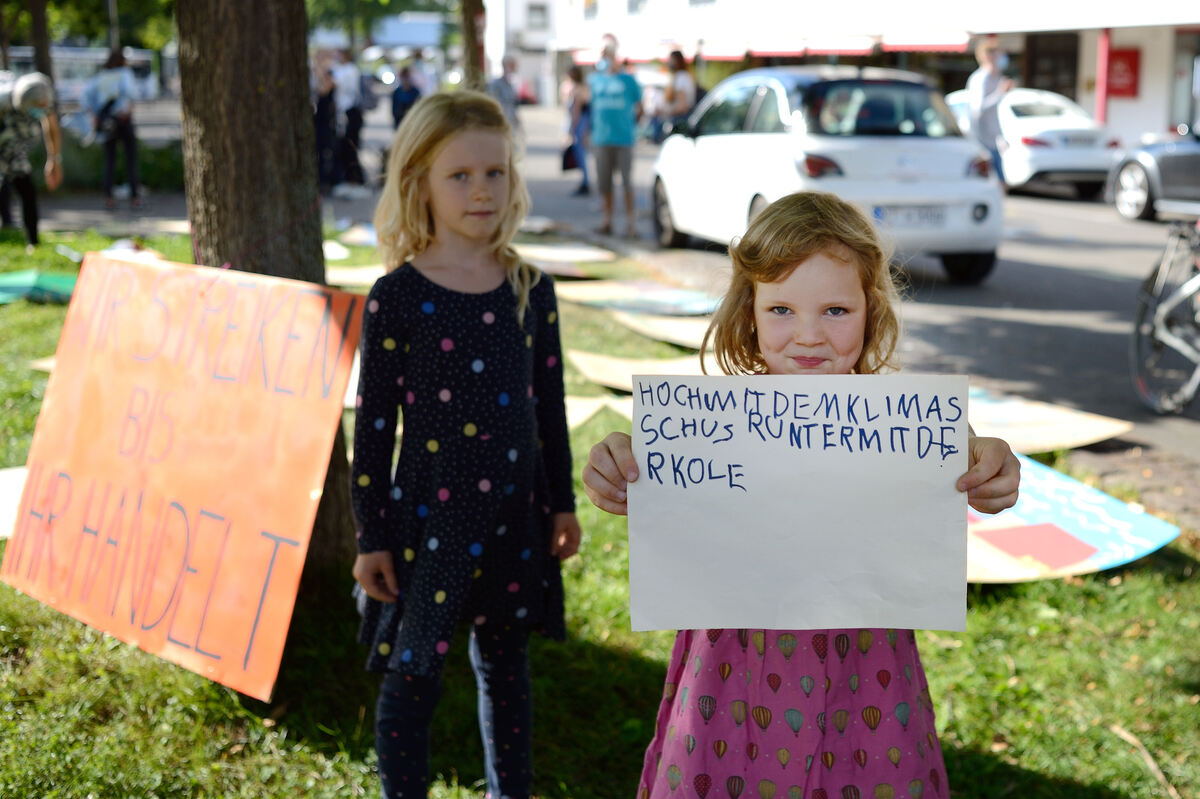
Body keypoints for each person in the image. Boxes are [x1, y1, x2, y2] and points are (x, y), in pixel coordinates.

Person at [581, 191, 1021, 799]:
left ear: (870, 312)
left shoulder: (906, 424)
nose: (808, 336)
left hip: (865, 675)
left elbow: (973, 463)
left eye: (835, 310)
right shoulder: (707, 425)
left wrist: (990, 468)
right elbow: (655, 480)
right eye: (782, 309)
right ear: (751, 312)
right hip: (731, 677)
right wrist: (618, 466)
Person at [353, 90, 582, 799]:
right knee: (412, 676)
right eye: (460, 175)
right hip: (431, 523)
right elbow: (374, 427)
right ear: (418, 181)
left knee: (506, 670)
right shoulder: (397, 297)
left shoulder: (530, 288)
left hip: (515, 515)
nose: (482, 190)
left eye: (495, 173)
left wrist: (563, 504)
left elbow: (549, 407)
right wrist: (371, 537)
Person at [0, 72, 63, 250]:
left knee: (27, 191)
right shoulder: (4, 101)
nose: (40, 111)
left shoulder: (43, 100)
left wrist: (54, 159)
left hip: (16, 152)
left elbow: (52, 127)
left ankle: (33, 243)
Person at [587, 35, 642, 237]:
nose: (604, 57)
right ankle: (607, 221)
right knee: (605, 183)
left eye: (607, 53)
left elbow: (639, 107)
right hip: (601, 138)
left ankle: (631, 224)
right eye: (602, 53)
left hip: (624, 138)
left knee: (627, 183)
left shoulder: (628, 80)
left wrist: (633, 127)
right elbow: (591, 108)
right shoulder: (595, 80)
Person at [81, 50, 139, 209]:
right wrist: (127, 110)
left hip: (106, 121)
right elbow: (131, 94)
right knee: (131, 159)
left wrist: (94, 116)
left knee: (109, 160)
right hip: (123, 120)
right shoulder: (125, 74)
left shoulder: (101, 76)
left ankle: (109, 198)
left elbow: (85, 97)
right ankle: (134, 197)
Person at [966, 39, 1014, 185]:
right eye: (999, 54)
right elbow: (978, 109)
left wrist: (1001, 137)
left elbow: (994, 114)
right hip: (981, 143)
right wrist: (999, 93)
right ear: (989, 56)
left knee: (1000, 184)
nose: (1002, 58)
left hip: (992, 142)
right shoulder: (981, 79)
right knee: (992, 184)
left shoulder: (996, 78)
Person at [331, 49, 365, 187]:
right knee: (344, 147)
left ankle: (355, 178)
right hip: (343, 113)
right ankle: (348, 177)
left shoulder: (351, 70)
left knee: (350, 147)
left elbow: (340, 85)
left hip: (350, 112)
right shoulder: (341, 69)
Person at [562, 64, 591, 196]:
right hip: (582, 125)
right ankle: (585, 181)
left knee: (581, 155)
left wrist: (571, 130)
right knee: (582, 155)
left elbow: (576, 112)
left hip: (580, 125)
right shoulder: (581, 88)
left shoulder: (578, 90)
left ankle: (585, 182)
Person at [661, 50, 696, 134]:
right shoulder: (684, 75)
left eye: (670, 59)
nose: (668, 62)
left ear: (676, 60)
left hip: (680, 119)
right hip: (683, 117)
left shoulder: (681, 77)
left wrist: (666, 111)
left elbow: (682, 106)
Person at [486, 55, 521, 134]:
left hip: (510, 124)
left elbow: (513, 105)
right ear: (505, 66)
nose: (515, 68)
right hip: (500, 124)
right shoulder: (495, 84)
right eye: (512, 66)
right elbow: (493, 104)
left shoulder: (510, 85)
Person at [390, 66, 421, 130]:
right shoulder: (397, 92)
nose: (405, 80)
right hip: (400, 123)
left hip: (413, 123)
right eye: (403, 77)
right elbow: (394, 110)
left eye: (407, 77)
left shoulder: (416, 92)